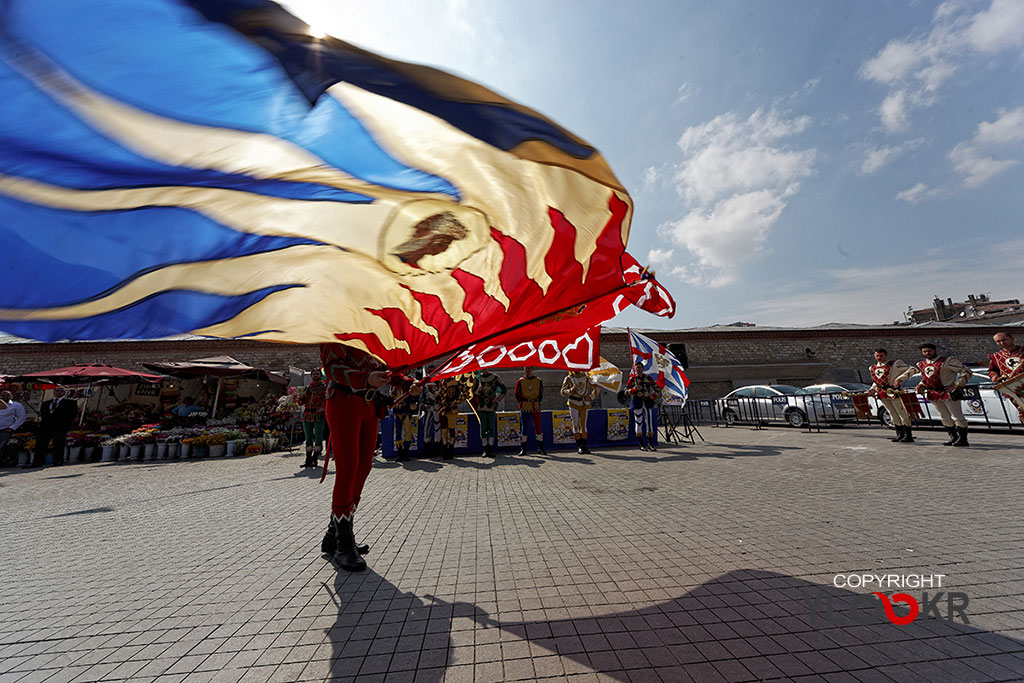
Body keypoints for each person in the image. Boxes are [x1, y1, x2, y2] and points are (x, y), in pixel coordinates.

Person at [318, 342, 417, 572]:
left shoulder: (371, 331)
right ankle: (343, 544)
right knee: (348, 469)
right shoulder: (335, 327)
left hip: (368, 404)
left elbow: (385, 371)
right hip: (343, 402)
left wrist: (406, 383)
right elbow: (332, 369)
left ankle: (334, 535)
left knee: (363, 468)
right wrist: (366, 378)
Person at [895, 343, 972, 447]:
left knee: (957, 416)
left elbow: (966, 371)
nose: (927, 353)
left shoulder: (948, 361)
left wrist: (957, 385)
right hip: (933, 393)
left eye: (929, 351)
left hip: (948, 393)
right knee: (944, 417)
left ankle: (963, 439)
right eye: (924, 352)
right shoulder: (922, 364)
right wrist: (921, 385)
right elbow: (926, 378)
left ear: (935, 350)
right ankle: (953, 437)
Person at [868, 348, 914, 443]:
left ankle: (908, 435)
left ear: (886, 355)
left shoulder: (895, 364)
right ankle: (899, 434)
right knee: (892, 413)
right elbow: (877, 382)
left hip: (894, 391)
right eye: (877, 356)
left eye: (881, 355)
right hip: (882, 393)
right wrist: (872, 389)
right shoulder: (873, 368)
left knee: (902, 413)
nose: (879, 358)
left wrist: (900, 379)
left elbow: (913, 369)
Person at [33, 387, 78, 467]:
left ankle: (58, 461)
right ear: (54, 392)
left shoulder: (70, 402)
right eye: (57, 390)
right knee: (40, 444)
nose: (59, 392)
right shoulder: (46, 403)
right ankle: (37, 462)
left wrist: (66, 423)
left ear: (65, 393)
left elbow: (73, 415)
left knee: (58, 445)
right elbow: (43, 414)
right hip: (45, 427)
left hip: (60, 427)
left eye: (62, 391)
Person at [988, 331, 1024, 422]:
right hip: (1014, 390)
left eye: (1004, 340)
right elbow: (993, 370)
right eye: (998, 341)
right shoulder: (996, 356)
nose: (1002, 343)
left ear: (1012, 339)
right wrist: (994, 376)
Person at [471, 370, 507, 457]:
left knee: (491, 427)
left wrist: (498, 399)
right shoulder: (478, 379)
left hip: (491, 406)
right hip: (481, 406)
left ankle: (490, 449)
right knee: (483, 427)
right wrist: (477, 391)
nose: (484, 369)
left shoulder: (495, 377)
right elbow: (472, 393)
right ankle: (484, 449)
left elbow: (504, 389)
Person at [625, 362, 659, 451]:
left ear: (643, 368)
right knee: (639, 423)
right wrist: (633, 389)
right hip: (637, 402)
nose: (638, 369)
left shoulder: (648, 378)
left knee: (649, 423)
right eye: (636, 368)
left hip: (647, 402)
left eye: (639, 367)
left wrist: (653, 396)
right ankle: (641, 444)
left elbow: (657, 388)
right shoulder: (632, 379)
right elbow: (625, 391)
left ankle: (650, 443)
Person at [561, 370, 597, 454]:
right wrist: (570, 390)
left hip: (584, 403)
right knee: (575, 424)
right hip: (573, 403)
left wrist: (591, 397)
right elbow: (562, 391)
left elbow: (597, 387)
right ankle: (579, 446)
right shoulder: (569, 378)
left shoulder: (587, 377)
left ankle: (584, 446)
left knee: (584, 425)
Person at [514, 367, 545, 455]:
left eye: (530, 368)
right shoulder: (520, 381)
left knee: (538, 426)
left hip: (535, 406)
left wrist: (536, 401)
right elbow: (517, 394)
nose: (528, 370)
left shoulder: (538, 380)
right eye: (526, 368)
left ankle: (541, 448)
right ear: (524, 369)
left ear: (532, 369)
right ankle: (523, 449)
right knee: (524, 427)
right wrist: (523, 402)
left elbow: (541, 393)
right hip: (525, 406)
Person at [299, 371, 327, 468]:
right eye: (314, 374)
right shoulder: (307, 388)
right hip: (307, 414)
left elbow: (329, 400)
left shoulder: (324, 388)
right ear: (311, 376)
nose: (315, 375)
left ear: (320, 376)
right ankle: (308, 459)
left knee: (318, 437)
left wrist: (323, 408)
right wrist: (301, 396)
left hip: (318, 415)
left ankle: (315, 458)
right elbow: (300, 403)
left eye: (317, 374)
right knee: (308, 437)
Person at [439, 375, 469, 460]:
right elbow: (440, 395)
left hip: (452, 410)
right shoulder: (443, 382)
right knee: (444, 430)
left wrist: (456, 402)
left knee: (452, 430)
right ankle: (445, 451)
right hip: (442, 409)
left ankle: (450, 451)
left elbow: (466, 393)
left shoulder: (458, 382)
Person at [417, 367, 442, 458]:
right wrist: (422, 404)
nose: (431, 371)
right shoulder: (425, 382)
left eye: (432, 370)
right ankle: (427, 450)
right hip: (427, 408)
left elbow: (441, 394)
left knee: (437, 427)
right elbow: (422, 394)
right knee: (426, 427)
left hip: (436, 407)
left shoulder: (439, 381)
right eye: (429, 370)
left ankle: (437, 449)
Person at [391, 390, 418, 462]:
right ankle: (400, 453)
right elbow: (391, 396)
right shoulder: (395, 385)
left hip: (407, 411)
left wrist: (413, 402)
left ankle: (406, 452)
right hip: (397, 411)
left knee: (408, 431)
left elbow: (414, 397)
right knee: (398, 432)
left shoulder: (409, 384)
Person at [0, 390, 27, 465]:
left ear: (11, 396)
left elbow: (22, 417)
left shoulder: (16, 405)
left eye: (7, 395)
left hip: (6, 429)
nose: (5, 396)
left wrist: (12, 427)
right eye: (3, 395)